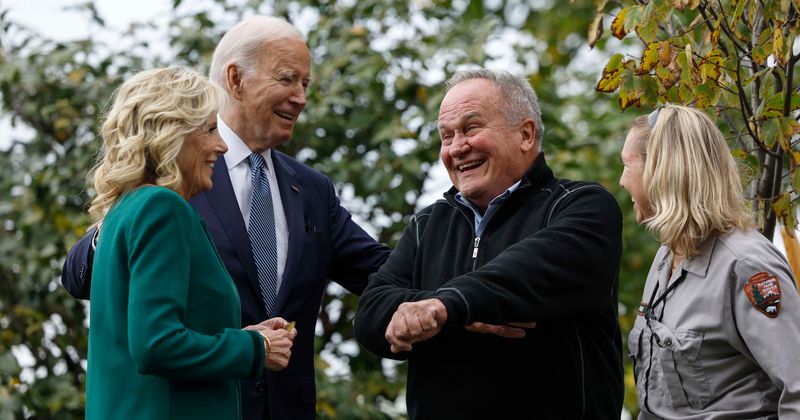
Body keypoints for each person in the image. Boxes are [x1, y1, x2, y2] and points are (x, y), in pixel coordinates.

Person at [62, 16, 390, 420]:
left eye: (306, 84)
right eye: (288, 79)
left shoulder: (312, 189)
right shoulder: (169, 192)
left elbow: (378, 269)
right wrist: (118, 228)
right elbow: (84, 281)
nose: (301, 97)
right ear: (235, 79)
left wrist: (468, 288)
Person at [353, 69, 625, 419]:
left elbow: (529, 272)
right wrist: (445, 311)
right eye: (446, 136)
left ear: (526, 134)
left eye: (471, 128)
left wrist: (447, 306)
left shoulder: (580, 205)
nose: (457, 147)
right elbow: (372, 312)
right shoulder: (427, 225)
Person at [84, 66, 296, 419]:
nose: (222, 145)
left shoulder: (128, 208)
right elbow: (156, 345)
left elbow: (151, 333)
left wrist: (243, 335)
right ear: (172, 134)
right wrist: (254, 348)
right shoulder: (162, 208)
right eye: (210, 130)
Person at [620, 105, 800, 417]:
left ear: (662, 170)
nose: (622, 181)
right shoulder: (667, 256)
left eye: (626, 165)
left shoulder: (746, 266)